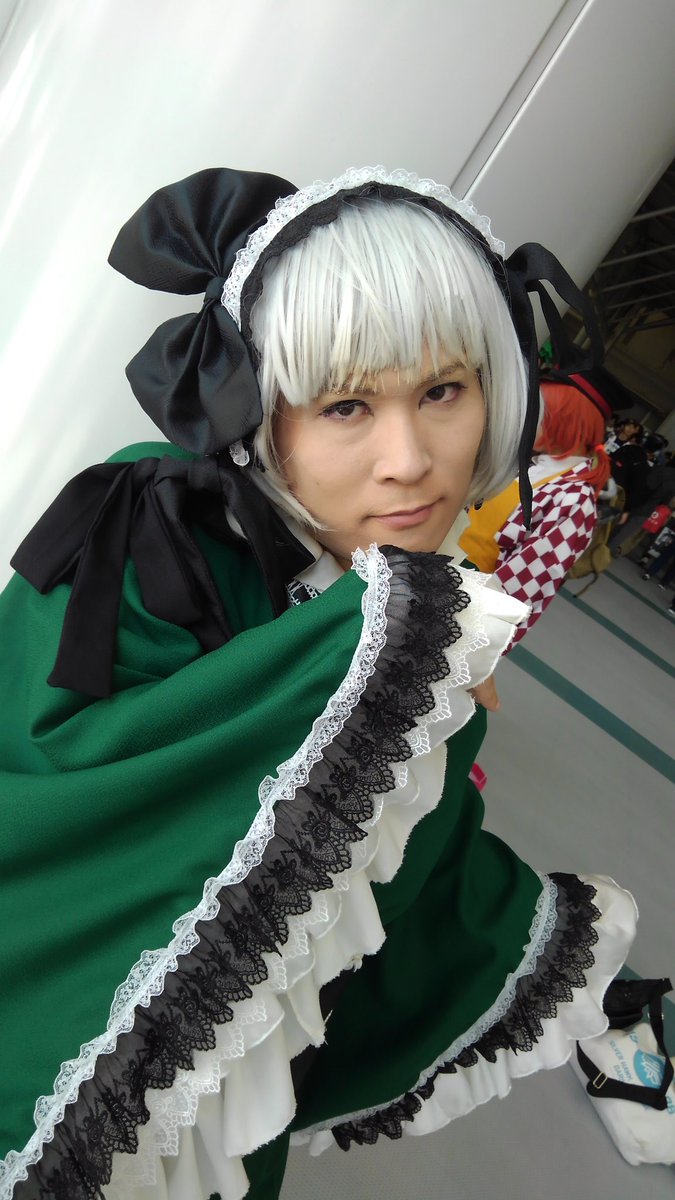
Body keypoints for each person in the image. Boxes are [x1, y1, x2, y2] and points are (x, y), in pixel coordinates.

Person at [0, 168, 637, 1200]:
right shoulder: (154, 541)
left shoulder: (412, 637)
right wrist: (384, 670)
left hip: (215, 1126)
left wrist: (535, 923)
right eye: (346, 405)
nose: (410, 459)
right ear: (260, 409)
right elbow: (52, 798)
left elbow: (379, 908)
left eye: (444, 391)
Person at [459, 374, 612, 643]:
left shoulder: (576, 501)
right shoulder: (527, 463)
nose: (527, 420)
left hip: (459, 605)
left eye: (539, 413)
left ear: (566, 422)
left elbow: (520, 588)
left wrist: (466, 635)